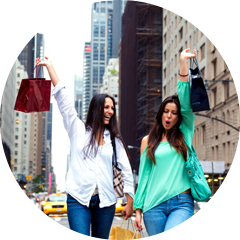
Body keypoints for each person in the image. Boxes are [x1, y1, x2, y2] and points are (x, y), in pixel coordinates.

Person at [36, 57, 134, 240]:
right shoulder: (77, 128)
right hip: (78, 199)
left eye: (112, 108)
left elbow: (127, 171)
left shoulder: (114, 140)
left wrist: (130, 202)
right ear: (96, 108)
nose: (110, 111)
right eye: (106, 107)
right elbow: (62, 98)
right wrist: (50, 67)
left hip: (106, 202)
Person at [134, 49, 197, 236]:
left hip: (182, 203)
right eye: (166, 111)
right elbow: (144, 176)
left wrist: (183, 63)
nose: (169, 115)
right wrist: (138, 209)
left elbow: (185, 101)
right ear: (160, 113)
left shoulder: (184, 133)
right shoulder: (148, 141)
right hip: (153, 205)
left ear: (179, 117)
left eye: (174, 112)